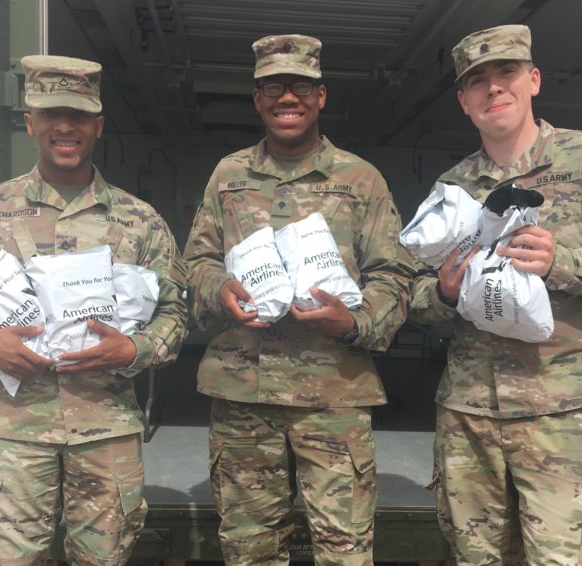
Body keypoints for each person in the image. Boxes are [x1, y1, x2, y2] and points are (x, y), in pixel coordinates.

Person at [409, 25, 582, 566]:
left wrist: (564, 263)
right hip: (470, 415)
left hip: (561, 413)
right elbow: (414, 293)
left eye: (506, 73)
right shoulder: (453, 188)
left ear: (533, 80)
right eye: (476, 81)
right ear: (463, 101)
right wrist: (445, 294)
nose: (493, 89)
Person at [0, 55, 188, 565]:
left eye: (79, 115)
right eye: (50, 114)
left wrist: (134, 347)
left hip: (105, 430)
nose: (64, 126)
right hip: (12, 431)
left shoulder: (140, 221)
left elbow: (175, 316)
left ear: (98, 125)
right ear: (30, 123)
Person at [184, 34, 414, 566]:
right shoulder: (229, 175)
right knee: (248, 549)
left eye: (300, 86)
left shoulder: (360, 179)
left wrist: (353, 322)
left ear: (321, 95)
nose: (287, 98)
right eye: (272, 87)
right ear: (257, 98)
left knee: (345, 550)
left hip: (334, 394)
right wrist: (218, 290)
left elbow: (395, 273)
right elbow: (195, 262)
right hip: (244, 394)